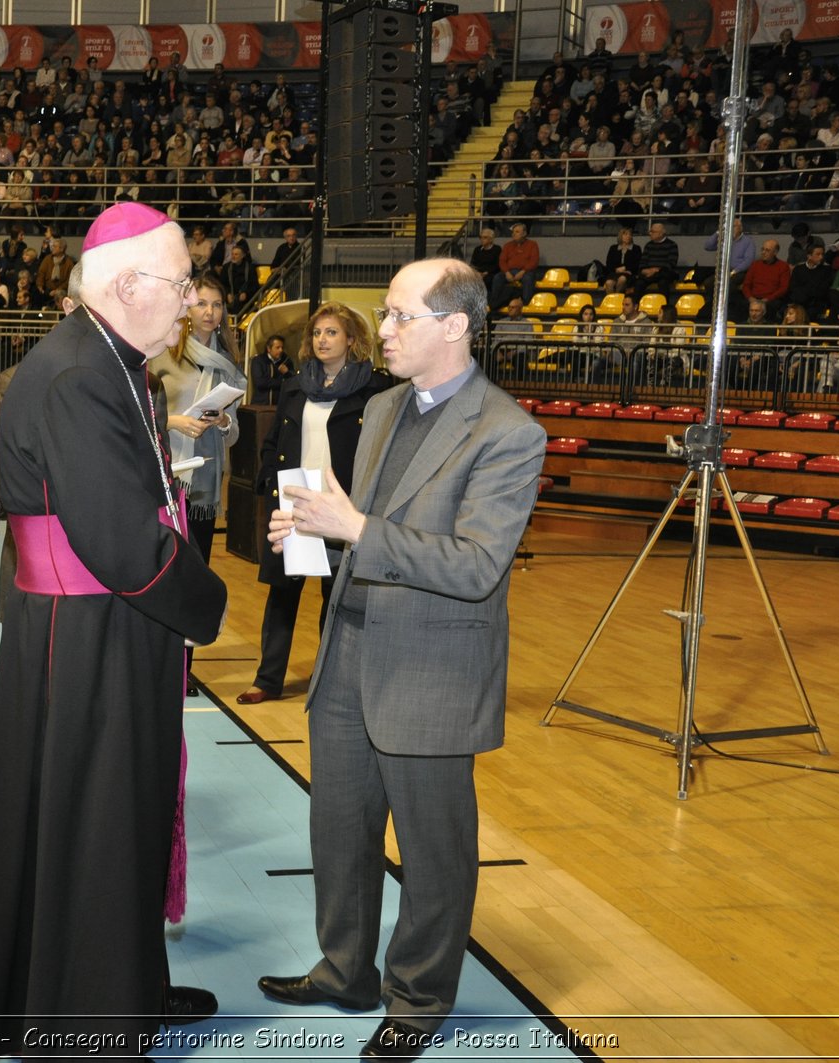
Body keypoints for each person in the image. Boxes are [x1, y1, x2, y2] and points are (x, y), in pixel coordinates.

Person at [258, 257, 546, 1060]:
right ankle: (345, 967)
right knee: (339, 828)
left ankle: (417, 999)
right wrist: (315, 530)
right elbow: (366, 528)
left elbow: (476, 564)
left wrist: (354, 529)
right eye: (383, 315)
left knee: (433, 848)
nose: (380, 329)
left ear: (453, 326)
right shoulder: (382, 408)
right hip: (348, 647)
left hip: (430, 667)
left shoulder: (508, 432)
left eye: (396, 316)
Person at [0, 202, 227, 1056]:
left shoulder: (110, 360)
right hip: (91, 630)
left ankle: (128, 987)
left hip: (103, 623)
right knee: (99, 821)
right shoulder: (82, 371)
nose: (190, 300)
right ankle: (87, 1015)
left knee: (122, 814)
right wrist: (209, 603)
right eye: (182, 282)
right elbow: (122, 538)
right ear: (126, 284)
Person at [238, 302, 393, 706]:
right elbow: (274, 443)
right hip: (295, 499)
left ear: (352, 341)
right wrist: (271, 479)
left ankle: (331, 680)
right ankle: (267, 679)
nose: (321, 340)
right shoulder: (294, 386)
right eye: (317, 333)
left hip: (341, 506)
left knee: (335, 597)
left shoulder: (375, 389)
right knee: (282, 595)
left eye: (331, 333)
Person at [153, 272, 246, 692]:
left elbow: (236, 431)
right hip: (167, 477)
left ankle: (183, 668)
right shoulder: (164, 354)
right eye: (202, 303)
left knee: (196, 576)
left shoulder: (229, 360)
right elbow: (144, 413)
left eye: (217, 305)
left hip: (205, 485)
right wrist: (175, 421)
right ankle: (156, 660)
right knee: (163, 572)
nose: (210, 312)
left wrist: (224, 421)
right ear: (188, 308)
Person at [249, 332, 294, 405]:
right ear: (269, 349)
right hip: (260, 405)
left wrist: (287, 373)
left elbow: (292, 382)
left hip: (279, 406)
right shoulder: (258, 361)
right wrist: (282, 382)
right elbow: (260, 382)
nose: (281, 350)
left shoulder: (287, 362)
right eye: (277, 347)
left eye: (282, 347)